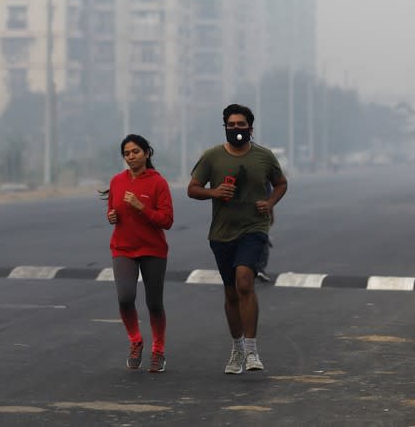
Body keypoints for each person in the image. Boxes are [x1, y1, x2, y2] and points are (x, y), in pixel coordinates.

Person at [187, 104, 287, 374]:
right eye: (231, 125)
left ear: (251, 128)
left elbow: (281, 183)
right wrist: (215, 192)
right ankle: (237, 349)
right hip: (222, 233)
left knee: (245, 281)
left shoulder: (264, 157)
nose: (236, 130)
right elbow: (192, 189)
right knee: (231, 293)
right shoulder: (212, 157)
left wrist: (270, 202)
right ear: (225, 127)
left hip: (254, 229)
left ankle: (253, 351)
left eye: (241, 125)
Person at [103, 134, 174, 373]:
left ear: (147, 153)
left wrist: (141, 207)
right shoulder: (116, 181)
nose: (131, 157)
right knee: (125, 297)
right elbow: (112, 210)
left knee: (154, 303)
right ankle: (135, 341)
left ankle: (159, 350)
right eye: (126, 153)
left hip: (153, 249)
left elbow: (166, 221)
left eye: (135, 152)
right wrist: (110, 216)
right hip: (123, 248)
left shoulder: (158, 182)